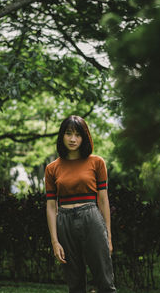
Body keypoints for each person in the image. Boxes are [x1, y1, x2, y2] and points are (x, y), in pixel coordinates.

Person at [45, 115, 116, 293]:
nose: (73, 139)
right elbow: (51, 206)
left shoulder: (97, 162)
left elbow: (103, 200)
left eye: (78, 134)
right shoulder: (52, 168)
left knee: (105, 281)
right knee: (75, 284)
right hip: (64, 222)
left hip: (91, 217)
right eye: (68, 134)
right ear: (62, 136)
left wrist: (108, 235)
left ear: (84, 137)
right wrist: (55, 241)